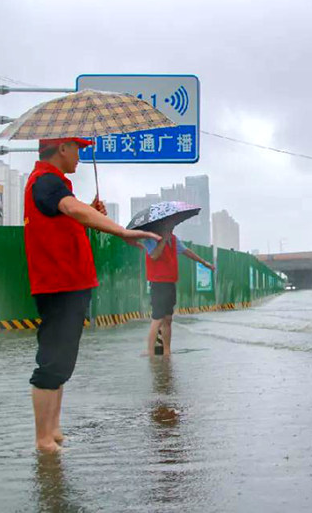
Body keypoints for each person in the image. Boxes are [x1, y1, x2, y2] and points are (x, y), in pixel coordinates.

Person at [25, 137, 160, 453]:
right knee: (52, 361)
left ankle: (54, 430)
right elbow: (71, 207)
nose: (80, 156)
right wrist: (122, 230)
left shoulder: (54, 183)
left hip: (69, 283)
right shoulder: (45, 181)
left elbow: (69, 215)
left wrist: (89, 210)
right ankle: (43, 439)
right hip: (59, 284)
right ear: (62, 149)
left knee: (62, 362)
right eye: (77, 149)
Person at [145, 222, 215, 356]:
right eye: (169, 226)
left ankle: (167, 351)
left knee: (168, 319)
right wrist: (163, 240)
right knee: (157, 318)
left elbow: (186, 251)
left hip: (170, 282)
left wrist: (204, 262)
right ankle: (150, 352)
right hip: (158, 283)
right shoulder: (151, 238)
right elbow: (154, 255)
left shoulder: (174, 239)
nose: (172, 228)